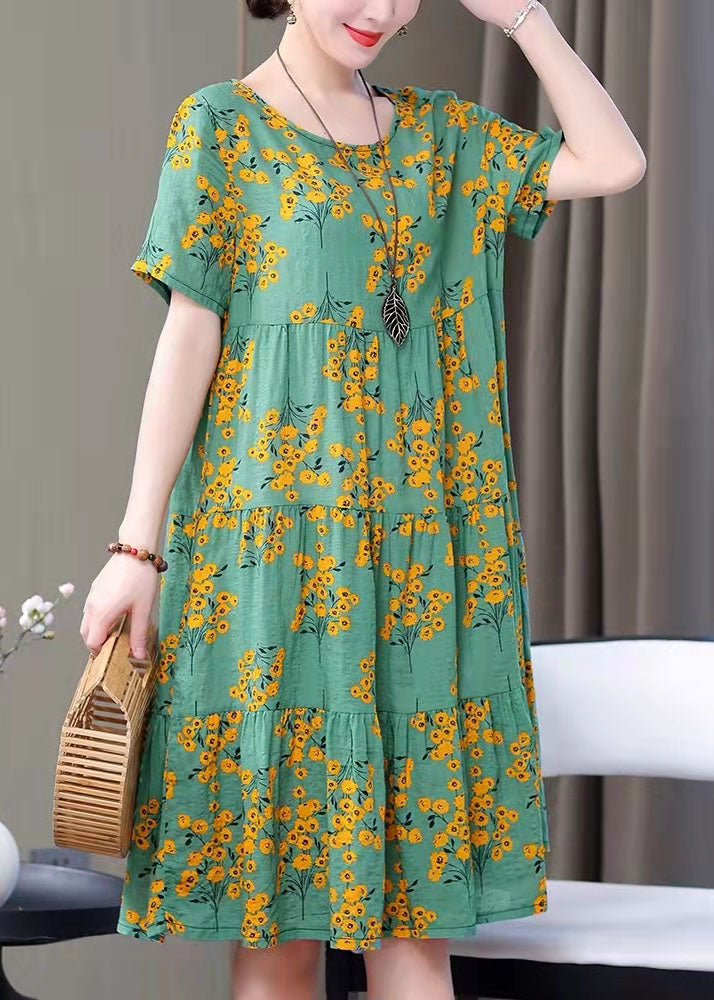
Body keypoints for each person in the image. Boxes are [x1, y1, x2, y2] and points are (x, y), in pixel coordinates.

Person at [80, 0, 645, 997]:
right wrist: (136, 549)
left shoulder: (444, 139)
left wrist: (525, 18)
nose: (382, 9)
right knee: (276, 936)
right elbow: (190, 337)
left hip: (422, 579)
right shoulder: (220, 127)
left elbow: (614, 162)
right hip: (274, 572)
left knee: (416, 935)